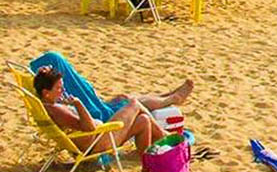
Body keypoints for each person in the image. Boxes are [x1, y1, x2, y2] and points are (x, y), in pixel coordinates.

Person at [32, 63, 190, 156]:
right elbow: (89, 128)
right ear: (46, 92)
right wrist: (78, 104)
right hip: (98, 142)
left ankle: (148, 167)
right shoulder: (57, 110)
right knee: (134, 103)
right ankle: (166, 137)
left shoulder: (45, 103)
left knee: (144, 120)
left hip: (98, 138)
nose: (63, 90)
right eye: (59, 88)